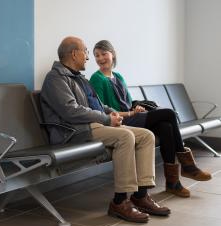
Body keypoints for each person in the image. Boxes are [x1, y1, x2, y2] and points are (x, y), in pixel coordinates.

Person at [40, 36, 170, 223]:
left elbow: (100, 106)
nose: (87, 57)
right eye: (85, 51)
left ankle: (141, 196)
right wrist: (106, 119)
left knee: (147, 136)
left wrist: (112, 114)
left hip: (92, 126)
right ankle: (119, 202)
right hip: (73, 131)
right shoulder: (55, 78)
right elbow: (71, 111)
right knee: (125, 137)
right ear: (74, 53)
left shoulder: (81, 79)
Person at [90, 40, 212, 198]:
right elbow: (104, 109)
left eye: (103, 54)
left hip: (132, 115)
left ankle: (172, 183)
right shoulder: (96, 78)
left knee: (166, 127)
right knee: (169, 114)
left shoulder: (118, 76)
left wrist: (137, 108)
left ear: (112, 54)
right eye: (96, 56)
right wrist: (131, 113)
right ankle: (187, 165)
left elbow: (128, 102)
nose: (100, 58)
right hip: (121, 121)